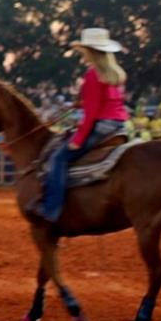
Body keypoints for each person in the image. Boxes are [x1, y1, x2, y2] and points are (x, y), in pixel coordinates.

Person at [39, 26, 129, 222]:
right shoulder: (115, 73)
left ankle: (51, 210)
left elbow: (91, 114)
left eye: (84, 51)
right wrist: (82, 102)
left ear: (91, 52)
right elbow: (109, 101)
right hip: (118, 124)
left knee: (58, 159)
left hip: (101, 125)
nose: (83, 55)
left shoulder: (92, 75)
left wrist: (78, 140)